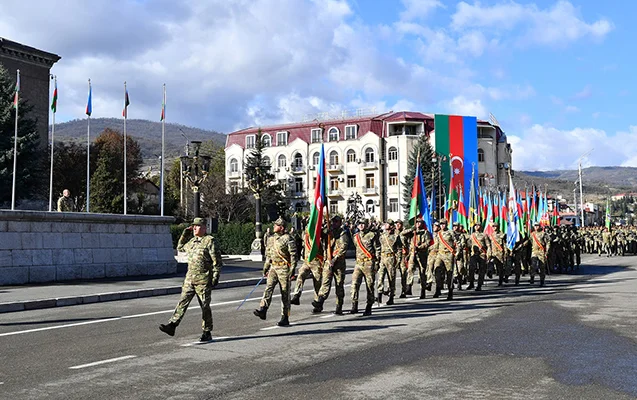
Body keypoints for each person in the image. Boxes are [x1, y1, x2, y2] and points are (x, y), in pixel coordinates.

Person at [160, 217, 222, 342]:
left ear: (204, 228)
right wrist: (185, 233)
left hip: (203, 279)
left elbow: (217, 261)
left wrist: (215, 277)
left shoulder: (209, 241)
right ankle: (172, 325)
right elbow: (180, 247)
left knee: (205, 306)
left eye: (197, 226)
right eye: (193, 226)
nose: (194, 228)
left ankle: (207, 331)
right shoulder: (192, 241)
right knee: (183, 301)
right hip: (190, 278)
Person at [254, 217, 297, 326]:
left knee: (285, 293)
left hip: (283, 268)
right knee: (268, 288)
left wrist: (292, 270)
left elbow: (293, 255)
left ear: (281, 227)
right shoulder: (271, 239)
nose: (274, 227)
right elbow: (268, 256)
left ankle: (285, 316)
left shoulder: (288, 239)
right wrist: (265, 268)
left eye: (276, 225)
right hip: (273, 267)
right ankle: (263, 308)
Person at [314, 215, 350, 314]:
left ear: (340, 223)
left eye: (336, 222)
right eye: (333, 222)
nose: (334, 224)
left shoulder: (343, 234)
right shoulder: (328, 232)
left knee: (339, 285)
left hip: (338, 264)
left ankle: (339, 306)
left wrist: (335, 259)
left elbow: (343, 248)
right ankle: (320, 301)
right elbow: (318, 234)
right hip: (328, 261)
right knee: (325, 282)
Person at [291, 223, 326, 312]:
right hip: (307, 261)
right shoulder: (305, 235)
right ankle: (296, 295)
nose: (308, 230)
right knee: (301, 274)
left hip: (317, 261)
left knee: (317, 283)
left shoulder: (319, 236)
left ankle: (318, 304)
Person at [350, 218, 380, 316]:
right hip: (358, 263)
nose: (361, 225)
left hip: (369, 263)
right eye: (359, 224)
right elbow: (356, 247)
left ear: (367, 225)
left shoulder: (372, 235)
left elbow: (377, 249)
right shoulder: (356, 236)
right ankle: (354, 305)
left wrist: (376, 263)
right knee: (354, 284)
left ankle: (369, 306)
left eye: (363, 224)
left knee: (369, 286)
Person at [377, 220, 402, 305]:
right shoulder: (382, 236)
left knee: (391, 278)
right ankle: (379, 294)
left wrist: (398, 260)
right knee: (380, 277)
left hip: (391, 258)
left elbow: (399, 249)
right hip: (383, 258)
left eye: (388, 224)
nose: (386, 225)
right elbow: (379, 247)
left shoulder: (395, 236)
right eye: (386, 223)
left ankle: (391, 296)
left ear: (391, 226)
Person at [433, 218, 457, 300]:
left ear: (446, 224)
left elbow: (457, 243)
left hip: (448, 255)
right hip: (440, 254)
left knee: (449, 273)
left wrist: (457, 252)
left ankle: (450, 292)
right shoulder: (438, 234)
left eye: (443, 224)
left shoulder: (451, 233)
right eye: (441, 224)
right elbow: (436, 245)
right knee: (437, 270)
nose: (442, 226)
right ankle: (438, 288)